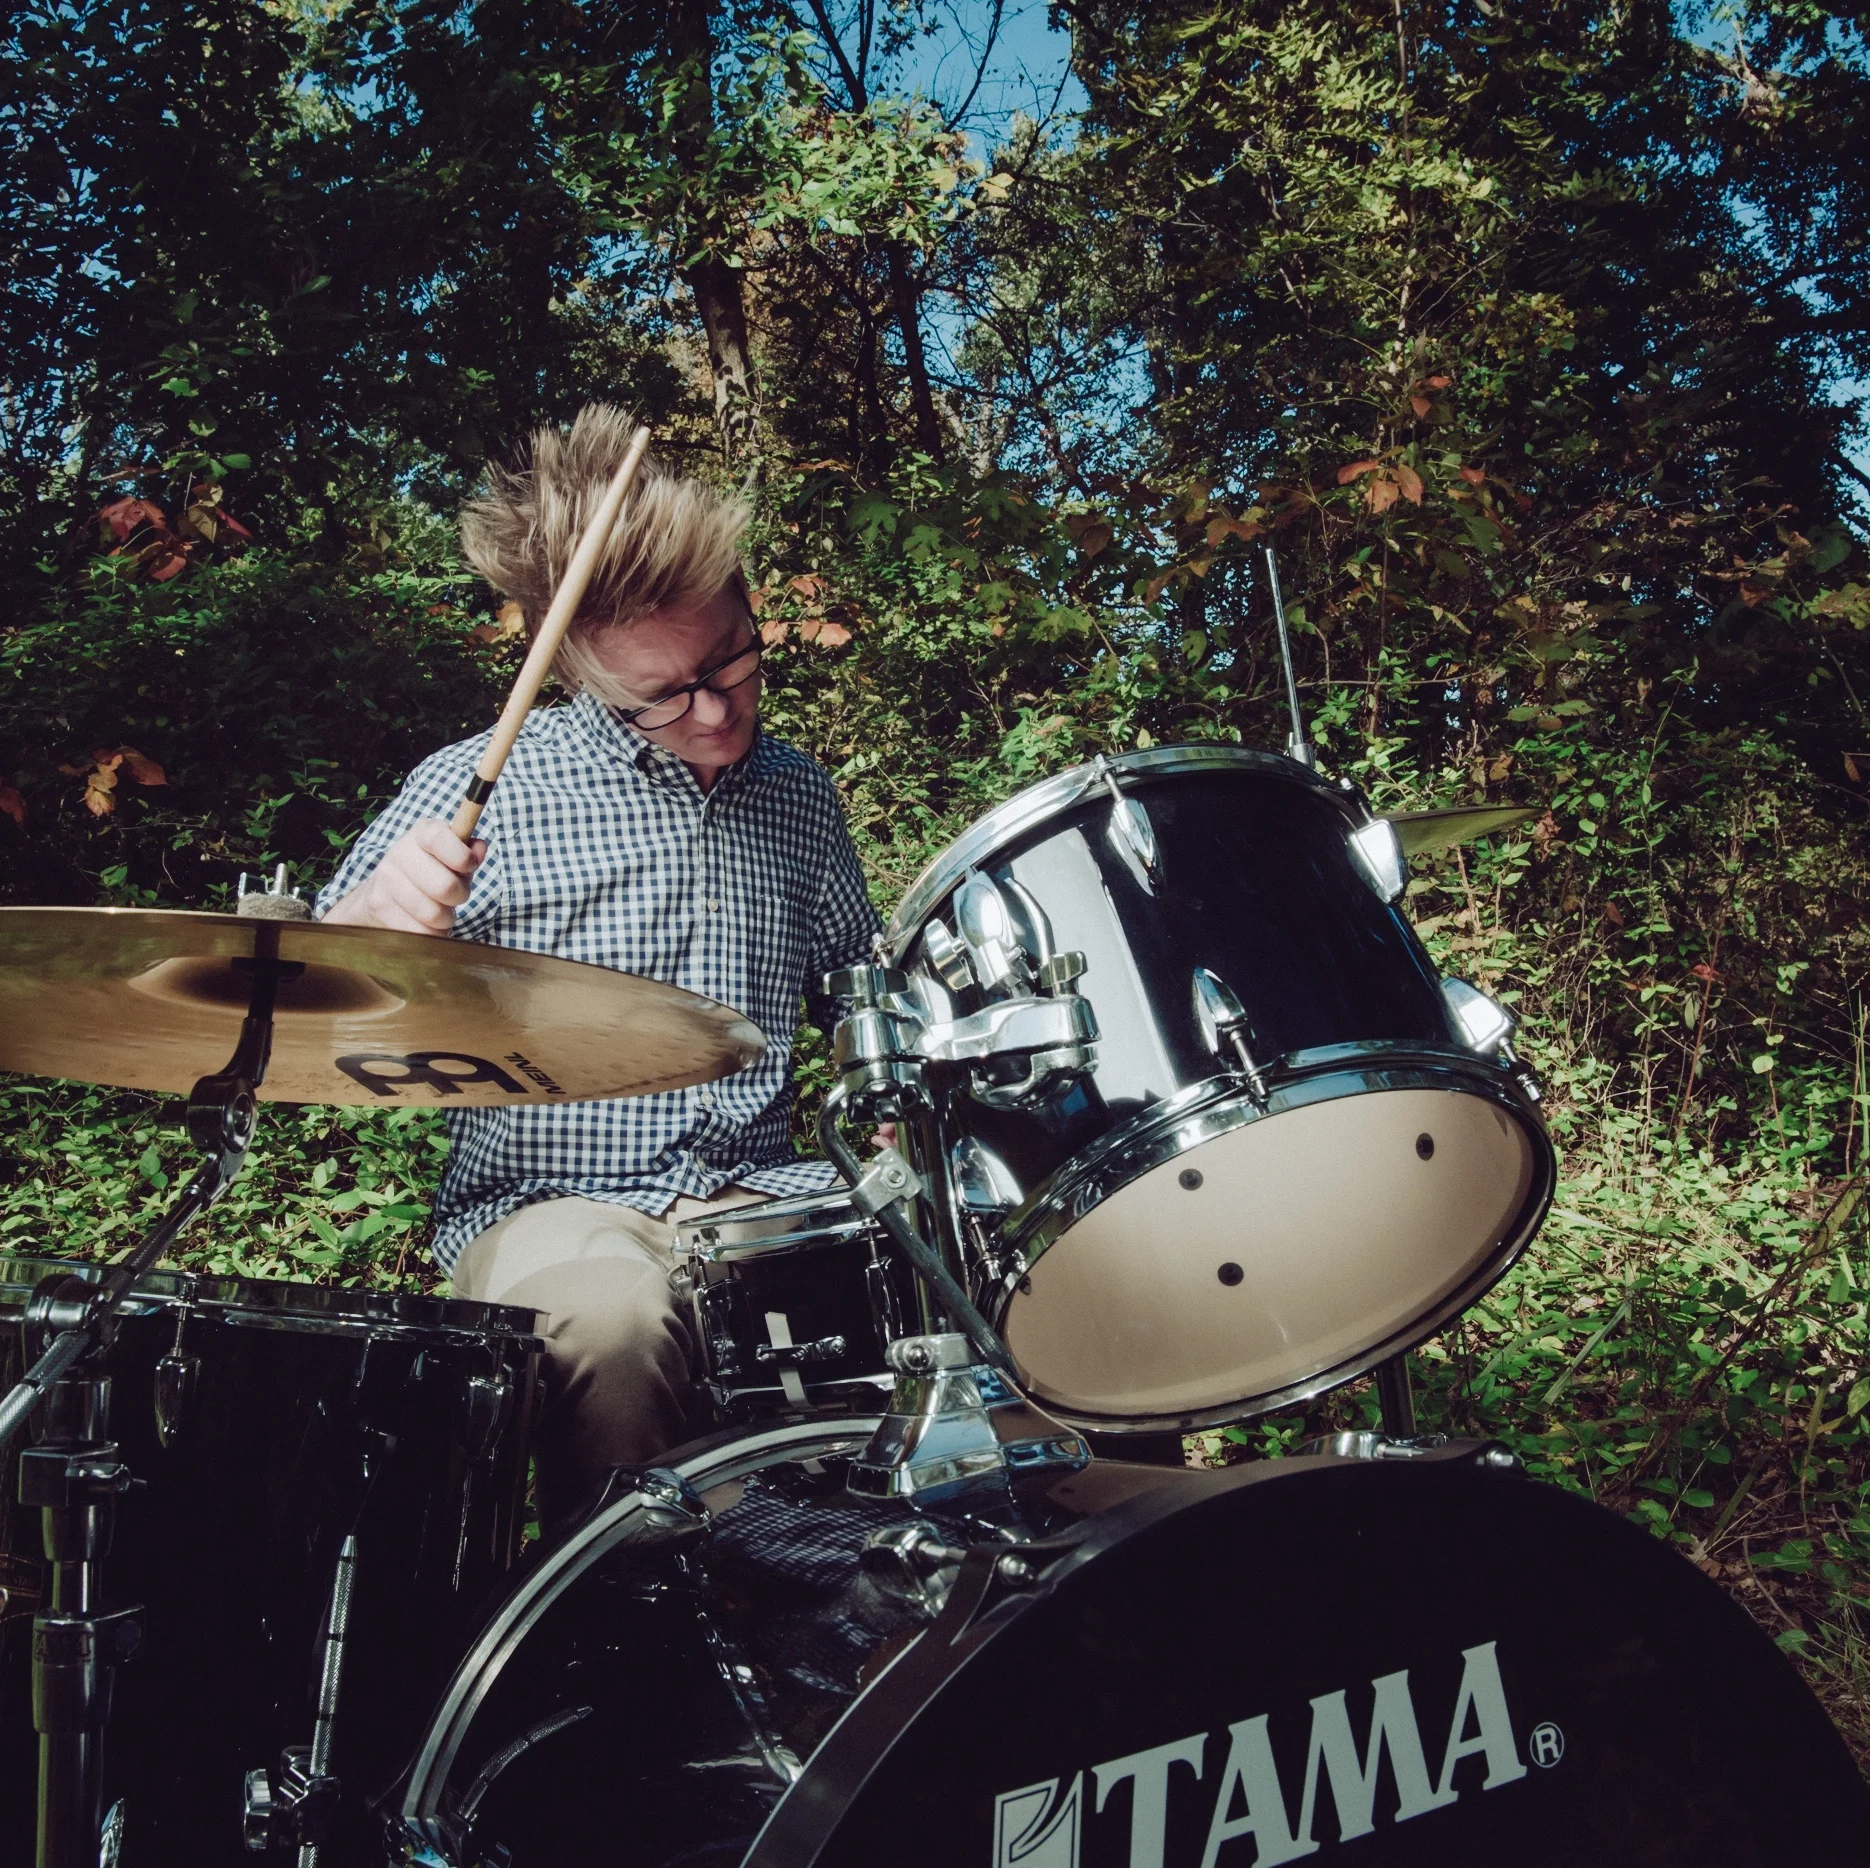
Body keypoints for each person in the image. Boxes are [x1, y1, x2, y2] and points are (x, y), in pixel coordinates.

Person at [316, 405, 881, 1532]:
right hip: (553, 1201)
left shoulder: (800, 794)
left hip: (762, 1190)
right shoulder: (482, 785)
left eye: (730, 660)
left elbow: (861, 996)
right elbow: (316, 1011)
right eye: (662, 696)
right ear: (574, 668)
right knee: (613, 1320)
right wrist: (379, 922)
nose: (714, 711)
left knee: (978, 1266)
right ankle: (639, 1654)